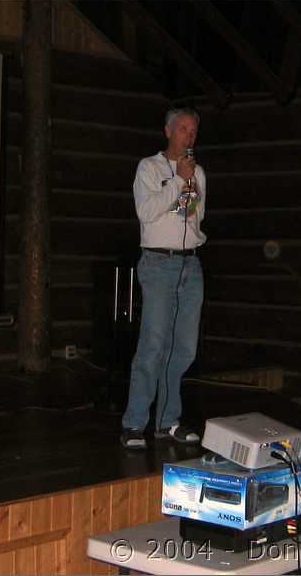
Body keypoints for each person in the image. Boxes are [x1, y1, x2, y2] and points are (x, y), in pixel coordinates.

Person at [121, 107, 206, 450]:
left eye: (194, 130)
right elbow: (146, 212)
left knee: (183, 348)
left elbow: (193, 217)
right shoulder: (149, 168)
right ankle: (133, 424)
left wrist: (188, 183)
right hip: (158, 264)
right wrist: (177, 181)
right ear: (168, 131)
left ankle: (168, 422)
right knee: (153, 345)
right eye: (183, 129)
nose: (189, 135)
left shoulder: (198, 173)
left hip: (191, 265)